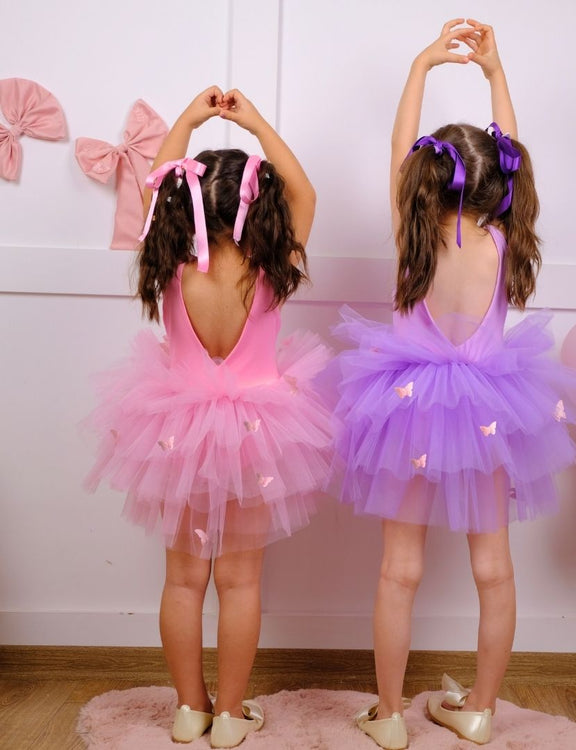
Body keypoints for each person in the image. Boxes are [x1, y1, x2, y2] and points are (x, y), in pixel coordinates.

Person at [329, 20, 576, 748]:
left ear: (422, 179)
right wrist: (494, 71)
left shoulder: (410, 232)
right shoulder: (507, 237)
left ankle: (386, 717)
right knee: (495, 571)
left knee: (398, 569)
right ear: (504, 185)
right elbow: (515, 146)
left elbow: (396, 145)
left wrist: (421, 65)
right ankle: (478, 707)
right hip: (487, 408)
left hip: (407, 406)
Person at [84, 87, 334, 748]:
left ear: (181, 202)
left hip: (175, 430)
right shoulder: (271, 266)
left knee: (183, 579)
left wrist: (190, 120)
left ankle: (188, 708)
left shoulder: (170, 263)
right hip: (259, 432)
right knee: (240, 580)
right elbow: (306, 192)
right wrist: (252, 122)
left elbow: (149, 187)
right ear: (262, 207)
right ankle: (228, 716)